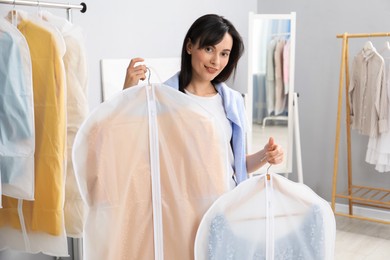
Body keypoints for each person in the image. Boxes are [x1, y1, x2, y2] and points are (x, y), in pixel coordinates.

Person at [123, 14, 283, 186]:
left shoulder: (232, 102)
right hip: (180, 208)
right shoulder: (162, 99)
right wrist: (127, 92)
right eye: (209, 49)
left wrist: (266, 155)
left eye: (224, 54)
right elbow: (129, 142)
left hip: (223, 206)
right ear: (190, 46)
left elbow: (235, 167)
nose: (215, 61)